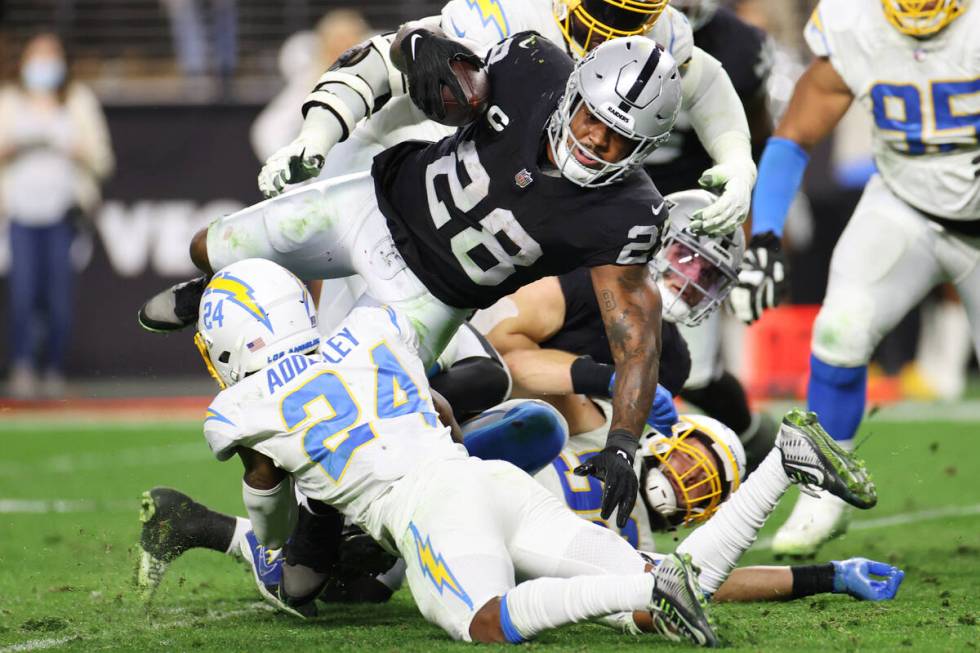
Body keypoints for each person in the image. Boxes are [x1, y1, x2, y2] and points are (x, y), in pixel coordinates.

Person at [141, 34, 683, 529]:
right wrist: (422, 50)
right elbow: (405, 55)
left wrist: (621, 444)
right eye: (593, 116)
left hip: (428, 299)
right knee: (205, 246)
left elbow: (635, 341)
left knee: (343, 421)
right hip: (374, 206)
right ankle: (212, 284)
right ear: (575, 92)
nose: (595, 139)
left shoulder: (629, 213)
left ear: (644, 148)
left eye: (619, 137)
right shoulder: (533, 66)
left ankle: (314, 531)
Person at [186, 256, 718, 645]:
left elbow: (275, 533)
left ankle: (645, 591)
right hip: (484, 478)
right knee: (636, 586)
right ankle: (779, 469)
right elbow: (439, 405)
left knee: (485, 621)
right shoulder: (371, 328)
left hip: (427, 510)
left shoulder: (239, 410)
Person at [741, 0, 980, 556]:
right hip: (905, 207)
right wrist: (766, 234)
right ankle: (824, 493)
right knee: (839, 330)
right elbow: (795, 133)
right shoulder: (856, 18)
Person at [477, 189, 776, 469]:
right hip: (479, 398)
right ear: (660, 240)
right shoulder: (586, 274)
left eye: (709, 274)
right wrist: (613, 379)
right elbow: (496, 358)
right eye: (686, 256)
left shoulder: (673, 360)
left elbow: (601, 434)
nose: (692, 279)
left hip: (550, 446)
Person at [0, 32, 114, 399]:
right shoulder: (9, 101)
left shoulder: (78, 100)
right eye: (37, 55)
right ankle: (23, 366)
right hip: (20, 216)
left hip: (63, 216)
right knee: (23, 295)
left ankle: (52, 369)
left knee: (58, 300)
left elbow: (101, 158)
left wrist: (75, 148)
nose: (44, 64)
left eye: (51, 55)